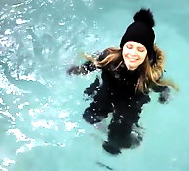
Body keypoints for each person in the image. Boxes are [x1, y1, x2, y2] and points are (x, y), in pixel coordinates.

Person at [67, 8, 178, 154]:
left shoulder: (150, 74)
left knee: (119, 140)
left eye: (140, 49)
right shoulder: (109, 58)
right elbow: (92, 65)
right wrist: (79, 70)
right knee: (89, 117)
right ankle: (103, 128)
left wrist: (164, 94)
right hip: (107, 93)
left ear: (147, 54)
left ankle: (132, 135)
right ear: (122, 46)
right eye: (129, 47)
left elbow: (160, 86)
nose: (133, 53)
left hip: (131, 103)